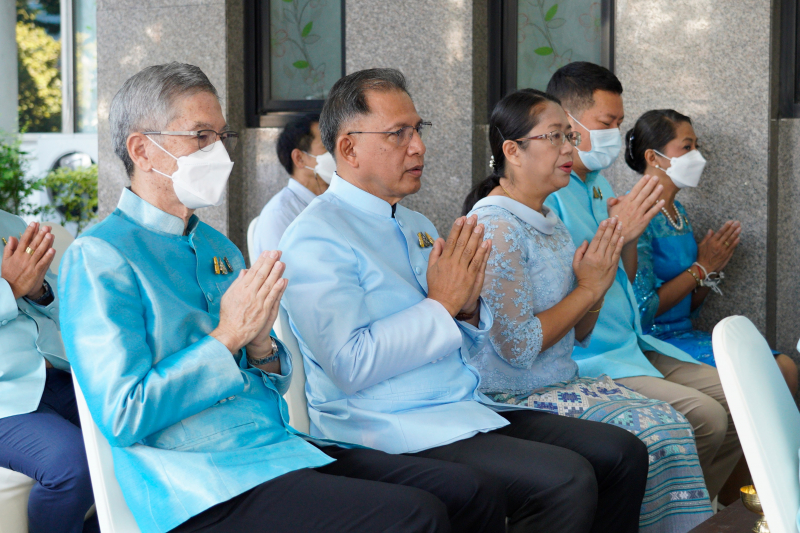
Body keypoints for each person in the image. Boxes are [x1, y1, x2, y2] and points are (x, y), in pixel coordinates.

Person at [58, 62, 509, 533]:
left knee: (470, 490)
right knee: (417, 513)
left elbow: (269, 382)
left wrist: (259, 347)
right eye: (201, 136)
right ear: (141, 150)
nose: (218, 152)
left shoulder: (216, 246)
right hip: (201, 482)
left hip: (278, 450)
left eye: (222, 137)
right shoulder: (100, 256)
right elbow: (124, 414)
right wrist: (228, 337)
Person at [280, 67, 649, 533]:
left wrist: (470, 310)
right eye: (398, 134)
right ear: (349, 148)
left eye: (418, 129)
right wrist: (441, 305)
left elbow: (462, 335)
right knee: (564, 480)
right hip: (385, 422)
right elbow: (349, 365)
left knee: (622, 453)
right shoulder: (316, 236)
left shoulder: (416, 224)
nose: (418, 146)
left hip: (460, 404)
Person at [462, 89, 712, 532]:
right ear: (513, 151)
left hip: (561, 379)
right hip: (513, 395)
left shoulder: (549, 221)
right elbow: (518, 347)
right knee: (655, 433)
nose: (568, 148)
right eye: (555, 137)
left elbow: (579, 333)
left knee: (671, 424)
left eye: (569, 136)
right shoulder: (496, 225)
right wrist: (590, 287)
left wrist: (599, 279)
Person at [543, 61, 742, 501]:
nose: (615, 134)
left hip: (632, 342)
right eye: (606, 123)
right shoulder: (551, 194)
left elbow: (627, 280)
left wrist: (628, 237)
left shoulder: (598, 185)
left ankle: (690, 512)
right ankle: (664, 512)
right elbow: (569, 291)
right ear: (567, 122)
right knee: (709, 417)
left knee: (745, 397)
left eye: (619, 122)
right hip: (591, 354)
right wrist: (697, 266)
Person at [626, 109, 799, 395]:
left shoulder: (678, 213)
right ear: (653, 157)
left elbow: (690, 305)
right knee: (765, 378)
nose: (697, 156)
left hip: (685, 332)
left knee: (784, 366)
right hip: (654, 342)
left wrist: (711, 269)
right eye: (687, 147)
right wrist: (701, 269)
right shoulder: (637, 215)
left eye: (697, 146)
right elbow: (642, 310)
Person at [0, 217, 98, 533]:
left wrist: (39, 291)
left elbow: (61, 303)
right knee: (72, 466)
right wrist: (9, 288)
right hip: (5, 402)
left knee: (145, 426)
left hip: (56, 376)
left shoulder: (9, 223)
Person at [252, 113, 336, 256]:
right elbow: (280, 269)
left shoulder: (336, 201)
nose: (337, 153)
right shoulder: (279, 214)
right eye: (327, 146)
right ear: (299, 159)